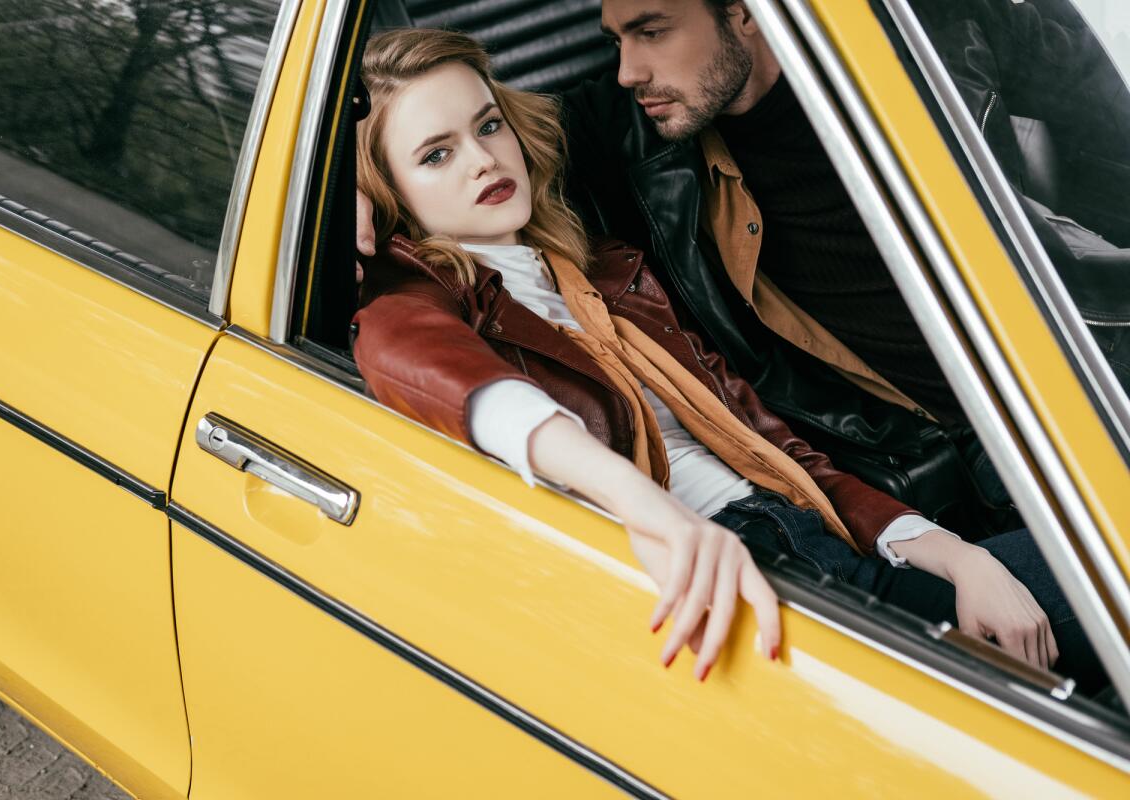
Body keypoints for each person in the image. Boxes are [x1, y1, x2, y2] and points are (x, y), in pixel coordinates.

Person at [351, 27, 1105, 690]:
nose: (482, 160)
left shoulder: (605, 271)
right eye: (436, 154)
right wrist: (656, 515)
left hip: (812, 541)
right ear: (388, 190)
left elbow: (772, 444)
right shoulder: (410, 301)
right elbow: (460, 383)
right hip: (729, 577)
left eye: (488, 125)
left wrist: (953, 556)